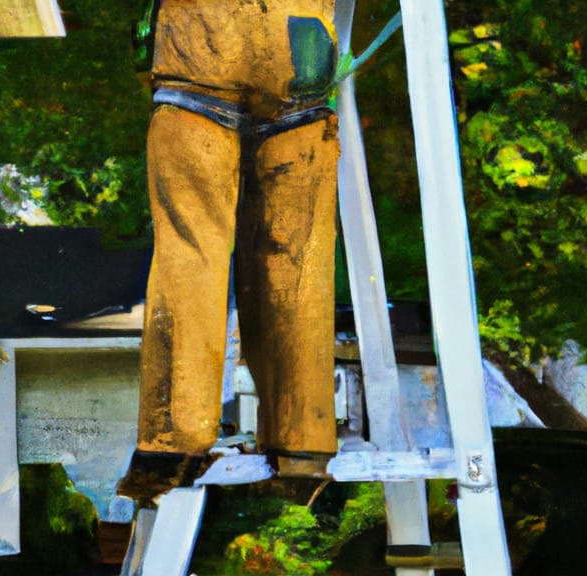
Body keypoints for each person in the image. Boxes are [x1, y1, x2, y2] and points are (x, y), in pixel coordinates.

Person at [119, 0, 340, 504]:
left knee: (191, 248)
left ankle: (171, 445)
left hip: (198, 51)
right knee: (299, 262)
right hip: (299, 50)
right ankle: (303, 445)